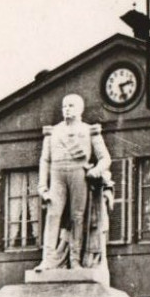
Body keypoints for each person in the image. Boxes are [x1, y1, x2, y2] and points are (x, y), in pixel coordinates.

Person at [34, 94, 112, 271]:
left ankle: (75, 260)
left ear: (80, 109)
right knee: (53, 215)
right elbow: (44, 160)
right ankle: (47, 259)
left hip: (79, 174)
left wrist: (95, 171)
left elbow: (105, 158)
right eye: (64, 106)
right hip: (57, 174)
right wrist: (42, 186)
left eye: (71, 106)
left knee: (77, 217)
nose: (67, 109)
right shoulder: (53, 132)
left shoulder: (89, 130)